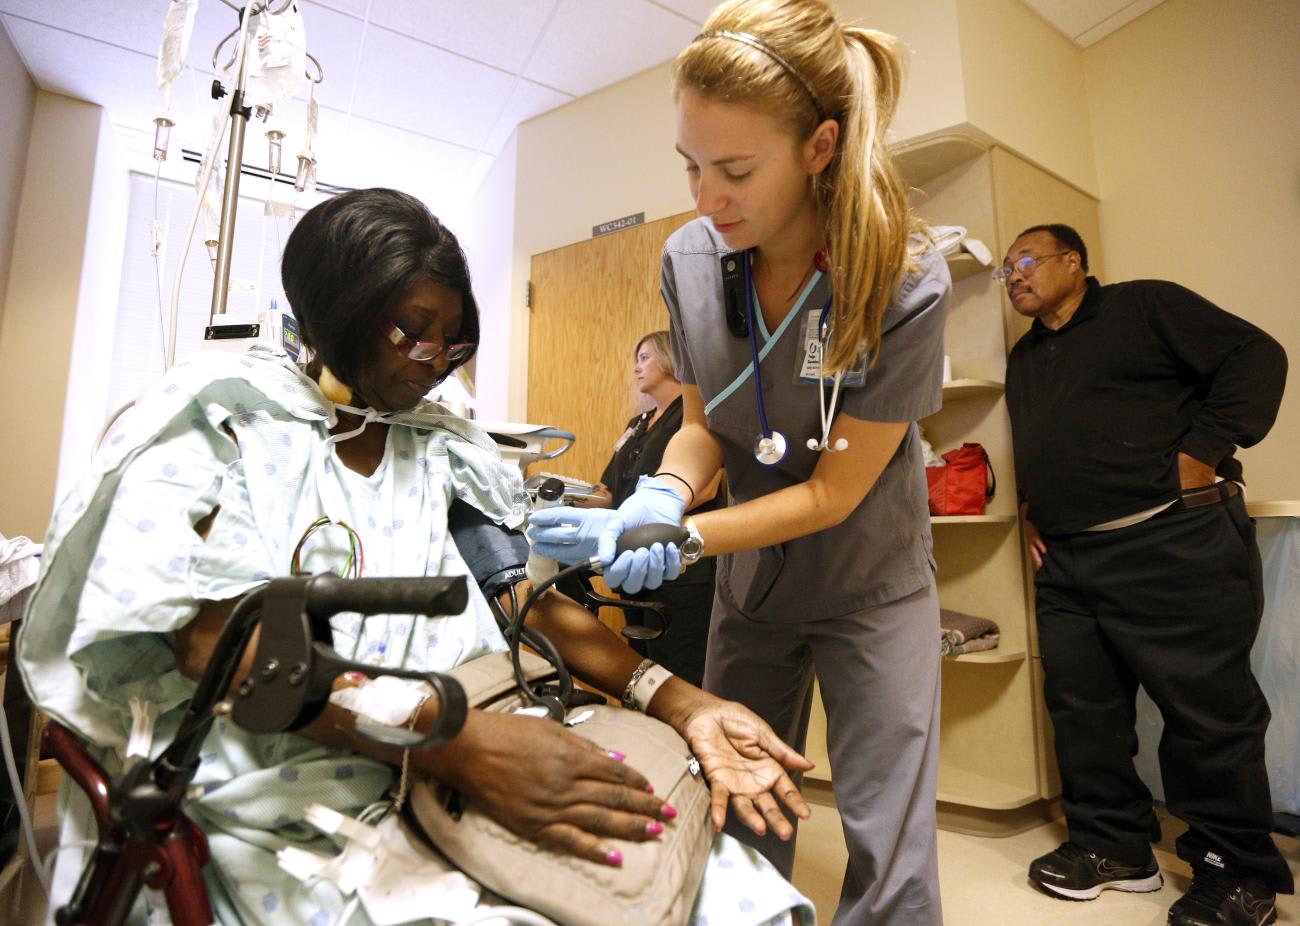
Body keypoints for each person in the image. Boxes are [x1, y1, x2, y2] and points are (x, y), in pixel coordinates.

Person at [17, 188, 819, 926]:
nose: (435, 359)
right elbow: (215, 645)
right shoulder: (224, 427)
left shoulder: (442, 452)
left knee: (737, 897)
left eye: (454, 337)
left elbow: (521, 599)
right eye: (410, 331)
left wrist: (680, 701)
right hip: (292, 768)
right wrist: (453, 742)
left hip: (478, 727)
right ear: (338, 311)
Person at [530, 3, 951, 923]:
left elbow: (836, 491)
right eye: (689, 164)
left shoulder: (902, 276)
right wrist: (662, 491)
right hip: (753, 587)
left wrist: (685, 536)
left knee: (889, 838)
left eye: (734, 169)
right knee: (739, 799)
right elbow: (704, 425)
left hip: (870, 580)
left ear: (818, 147)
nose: (704, 197)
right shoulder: (689, 259)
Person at [999, 223, 1293, 925]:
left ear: (1074, 262)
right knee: (1083, 707)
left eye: (1027, 261)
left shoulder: (1145, 307)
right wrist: (1034, 507)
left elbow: (1258, 357)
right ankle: (1113, 846)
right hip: (1070, 558)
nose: (1014, 275)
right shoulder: (1026, 356)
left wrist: (1201, 454)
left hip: (1173, 543)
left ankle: (1237, 873)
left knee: (1205, 714)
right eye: (1006, 269)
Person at [578, 331, 720, 686]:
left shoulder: (694, 422)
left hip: (681, 567)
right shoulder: (636, 426)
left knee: (680, 672)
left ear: (671, 358)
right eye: (635, 359)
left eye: (645, 357)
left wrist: (656, 513)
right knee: (640, 672)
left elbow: (709, 484)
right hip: (633, 560)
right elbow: (610, 491)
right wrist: (573, 498)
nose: (636, 367)